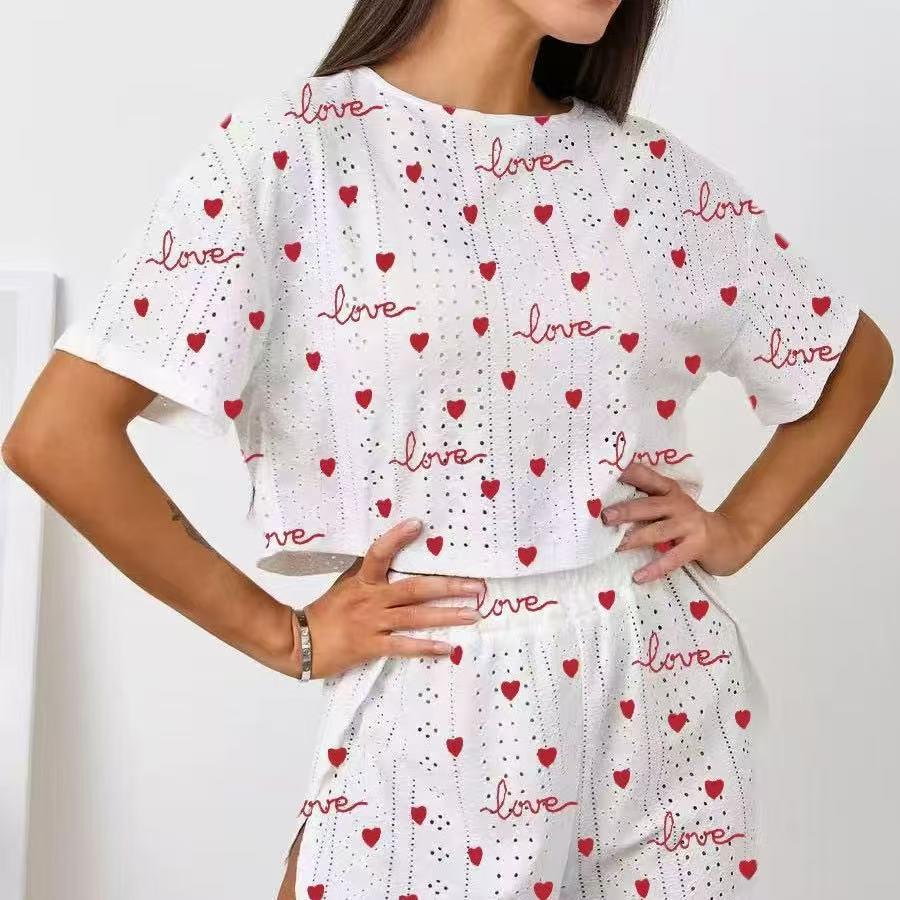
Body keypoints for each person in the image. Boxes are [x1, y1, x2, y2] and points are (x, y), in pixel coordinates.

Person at [3, 1, 892, 898]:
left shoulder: (646, 170)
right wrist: (287, 637)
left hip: (664, 684)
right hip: (441, 689)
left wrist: (739, 528)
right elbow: (60, 437)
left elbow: (850, 354)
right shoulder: (288, 154)